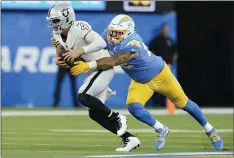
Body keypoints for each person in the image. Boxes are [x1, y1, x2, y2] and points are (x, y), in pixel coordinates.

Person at [68, 14, 223, 151]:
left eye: (118, 33)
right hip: (140, 81)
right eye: (112, 31)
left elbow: (115, 60)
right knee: (133, 107)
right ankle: (160, 128)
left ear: (128, 32)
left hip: (160, 75)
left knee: (184, 103)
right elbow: (100, 51)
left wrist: (89, 65)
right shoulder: (108, 35)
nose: (113, 35)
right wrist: (79, 54)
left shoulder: (132, 43)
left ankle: (210, 130)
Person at [47, 4, 140, 151]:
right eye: (52, 21)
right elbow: (61, 55)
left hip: (102, 66)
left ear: (66, 18)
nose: (53, 24)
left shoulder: (79, 27)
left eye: (56, 20)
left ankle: (117, 117)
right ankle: (129, 138)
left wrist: (80, 50)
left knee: (83, 96)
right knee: (94, 113)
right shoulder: (57, 35)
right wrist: (59, 60)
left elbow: (101, 43)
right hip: (92, 71)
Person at [149, 23, 178, 113]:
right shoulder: (156, 41)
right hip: (158, 66)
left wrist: (172, 63)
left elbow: (175, 53)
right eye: (164, 29)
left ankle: (169, 105)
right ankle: (156, 104)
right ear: (161, 29)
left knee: (169, 86)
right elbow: (150, 52)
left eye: (167, 29)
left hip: (168, 66)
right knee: (156, 85)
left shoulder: (170, 41)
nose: (165, 30)